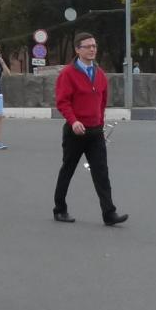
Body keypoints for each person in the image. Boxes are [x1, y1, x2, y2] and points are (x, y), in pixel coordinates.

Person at [53, 34, 127, 226]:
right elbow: (62, 102)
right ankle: (59, 209)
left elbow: (102, 101)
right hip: (75, 131)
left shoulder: (100, 74)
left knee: (101, 172)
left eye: (94, 46)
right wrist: (73, 121)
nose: (92, 49)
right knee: (68, 169)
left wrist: (100, 122)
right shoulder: (68, 74)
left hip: (95, 132)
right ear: (78, 50)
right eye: (87, 46)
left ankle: (109, 213)